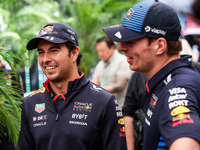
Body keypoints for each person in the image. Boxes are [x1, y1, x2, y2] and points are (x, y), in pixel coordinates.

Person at [103, 1, 200, 150]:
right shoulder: (165, 81)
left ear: (160, 46)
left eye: (131, 41)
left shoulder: (177, 87)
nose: (121, 47)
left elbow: (186, 143)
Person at [16, 23, 127, 150]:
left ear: (74, 53)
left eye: (54, 50)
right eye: (41, 52)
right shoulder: (30, 102)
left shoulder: (104, 101)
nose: (45, 59)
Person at [92, 36, 132, 109]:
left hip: (121, 108)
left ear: (112, 48)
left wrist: (98, 90)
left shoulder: (123, 61)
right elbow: (94, 83)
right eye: (98, 51)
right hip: (106, 108)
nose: (100, 54)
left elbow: (120, 86)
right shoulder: (100, 64)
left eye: (103, 50)